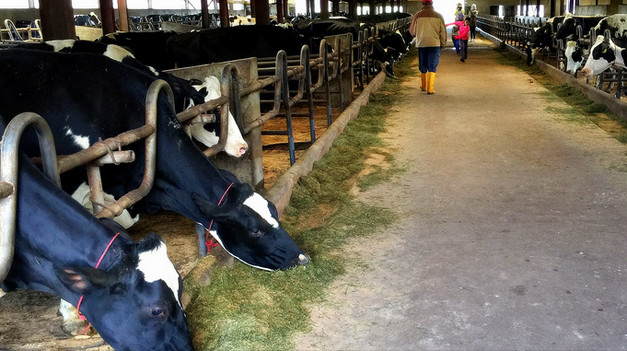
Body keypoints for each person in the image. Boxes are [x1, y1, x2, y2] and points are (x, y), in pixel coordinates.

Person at [409, 0, 447, 95]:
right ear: (432, 4)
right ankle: (430, 88)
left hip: (422, 43)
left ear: (423, 4)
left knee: (423, 63)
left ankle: (423, 85)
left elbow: (412, 31)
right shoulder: (439, 16)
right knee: (432, 64)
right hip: (434, 44)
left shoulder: (417, 15)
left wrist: (417, 35)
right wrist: (442, 43)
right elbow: (443, 31)